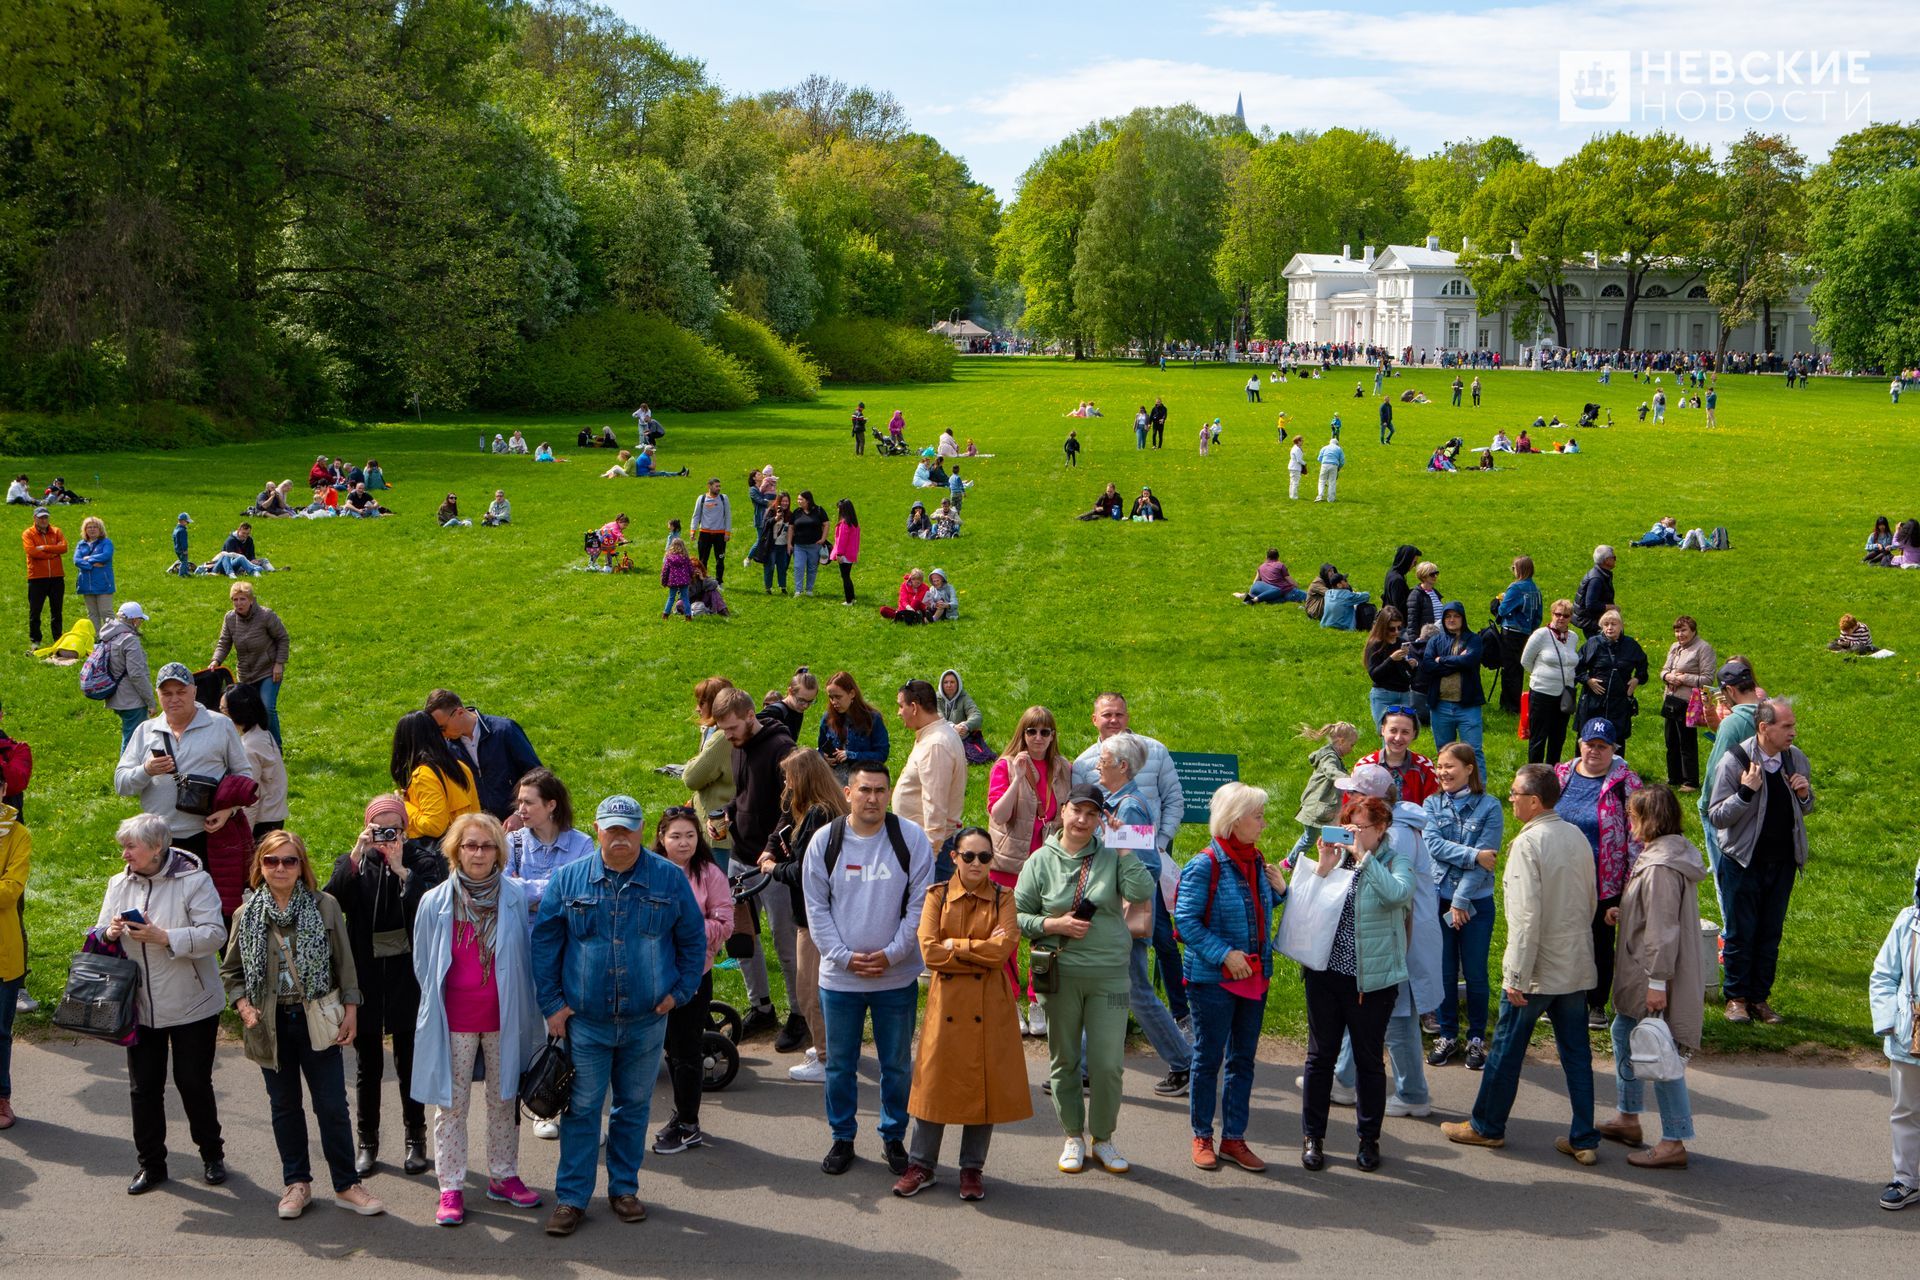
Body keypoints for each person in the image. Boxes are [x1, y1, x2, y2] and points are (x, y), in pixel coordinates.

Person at [531, 796, 706, 1235]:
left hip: (647, 1022)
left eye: (628, 829)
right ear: (597, 829)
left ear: (642, 830)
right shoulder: (569, 880)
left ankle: (624, 1189)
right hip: (585, 1023)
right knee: (583, 1109)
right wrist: (552, 1005)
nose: (620, 838)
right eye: (612, 830)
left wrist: (680, 992)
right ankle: (571, 1198)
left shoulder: (667, 879)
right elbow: (545, 944)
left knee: (633, 1108)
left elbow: (693, 940)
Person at [1442, 764, 1600, 1164]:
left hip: (1535, 971)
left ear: (1534, 801)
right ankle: (1584, 1138)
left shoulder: (1529, 845)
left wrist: (1516, 975)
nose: (1510, 798)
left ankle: (1486, 1127)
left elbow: (1526, 918)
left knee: (1506, 1052)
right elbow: (1592, 900)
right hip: (1575, 964)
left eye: (1515, 793)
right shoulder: (1576, 835)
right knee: (1577, 1055)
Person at [222, 831, 386, 1217]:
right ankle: (297, 1184)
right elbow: (231, 973)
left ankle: (347, 1185)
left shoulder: (325, 905)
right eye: (271, 861)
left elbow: (346, 965)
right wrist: (243, 1006)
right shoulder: (245, 916)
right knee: (284, 1106)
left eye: (289, 861)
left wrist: (351, 1010)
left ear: (302, 866)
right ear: (259, 867)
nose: (280, 868)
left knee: (331, 1105)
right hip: (269, 1023)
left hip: (317, 1018)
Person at [410, 813, 545, 1225]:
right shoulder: (435, 902)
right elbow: (423, 962)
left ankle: (502, 1177)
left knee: (504, 1099)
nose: (478, 853)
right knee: (451, 1105)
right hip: (455, 1019)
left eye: (486, 846)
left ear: (498, 852)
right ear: (455, 850)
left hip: (504, 1017)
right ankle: (450, 1186)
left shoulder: (515, 897)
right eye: (470, 845)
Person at [803, 762, 936, 1176]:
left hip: (895, 977)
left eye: (880, 790)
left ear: (889, 792)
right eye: (864, 790)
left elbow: (921, 905)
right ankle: (842, 1138)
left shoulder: (910, 839)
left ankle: (893, 1137)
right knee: (840, 1065)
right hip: (840, 979)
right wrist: (843, 956)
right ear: (848, 793)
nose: (873, 798)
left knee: (896, 1064)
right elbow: (816, 908)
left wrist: (893, 954)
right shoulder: (825, 841)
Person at [1016, 782, 1154, 1175]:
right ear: (1063, 811)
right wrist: (1053, 922)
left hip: (1110, 976)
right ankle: (1073, 1135)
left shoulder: (1112, 855)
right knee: (1065, 1060)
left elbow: (1142, 889)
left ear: (1100, 820)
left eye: (1092, 815)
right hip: (1061, 976)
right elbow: (1017, 915)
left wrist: (1123, 844)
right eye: (1077, 810)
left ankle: (1104, 1138)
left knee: (1108, 1063)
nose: (1083, 820)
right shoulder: (1040, 861)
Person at [892, 825, 1030, 1199]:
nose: (976, 863)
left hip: (990, 1005)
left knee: (983, 1086)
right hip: (947, 1005)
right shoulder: (936, 895)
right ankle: (921, 1164)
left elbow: (1002, 952)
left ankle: (972, 1169)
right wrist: (979, 949)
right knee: (933, 1084)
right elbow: (929, 953)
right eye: (968, 855)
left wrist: (956, 945)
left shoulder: (1005, 897)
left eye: (985, 857)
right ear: (954, 857)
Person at [94, 813, 229, 1194]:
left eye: (131, 846)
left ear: (157, 848)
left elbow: (214, 935)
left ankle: (211, 1155)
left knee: (192, 1082)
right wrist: (111, 931)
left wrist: (164, 937)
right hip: (140, 1006)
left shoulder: (195, 881)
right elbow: (100, 929)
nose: (124, 853)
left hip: (193, 1005)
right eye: (123, 845)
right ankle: (151, 1165)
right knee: (143, 1088)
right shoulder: (118, 883)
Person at [1296, 794, 1414, 1173]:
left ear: (1381, 829)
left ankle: (1368, 1139)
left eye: (1360, 828)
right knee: (1320, 1058)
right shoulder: (1336, 859)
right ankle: (1313, 1136)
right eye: (1348, 826)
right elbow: (1305, 909)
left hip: (1372, 982)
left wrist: (1363, 859)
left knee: (1368, 1061)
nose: (1353, 834)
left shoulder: (1396, 862)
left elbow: (1398, 895)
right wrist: (1324, 867)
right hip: (1325, 974)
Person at [1177, 783, 1287, 1173]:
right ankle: (1202, 1135)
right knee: (1209, 1058)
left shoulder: (1255, 860)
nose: (1263, 823)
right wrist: (1225, 953)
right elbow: (1185, 922)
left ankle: (1234, 1139)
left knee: (1243, 1060)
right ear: (1235, 820)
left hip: (1255, 977)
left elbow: (1252, 908)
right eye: (1257, 816)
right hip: (1213, 980)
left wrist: (1280, 892)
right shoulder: (1204, 863)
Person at [323, 794, 433, 1177]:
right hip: (366, 975)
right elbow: (332, 899)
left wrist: (403, 870)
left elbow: (431, 908)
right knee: (367, 1067)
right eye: (379, 827)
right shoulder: (356, 862)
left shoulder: (422, 861)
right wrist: (357, 852)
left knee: (409, 1063)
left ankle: (415, 1138)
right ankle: (367, 1141)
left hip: (407, 977)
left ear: (406, 827)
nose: (387, 835)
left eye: (394, 827)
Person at [1599, 785, 1705, 1170]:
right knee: (1624, 1034)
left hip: (1650, 976)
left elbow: (1662, 929)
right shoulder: (1666, 853)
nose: (1629, 826)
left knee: (1661, 1054)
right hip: (1642, 972)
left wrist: (1657, 983)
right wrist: (1624, 915)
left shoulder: (1660, 866)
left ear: (1650, 819)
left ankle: (1674, 1140)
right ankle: (1628, 1118)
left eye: (1633, 817)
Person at [1093, 733, 1193, 1096]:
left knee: (1135, 992)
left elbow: (1148, 865)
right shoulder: (1117, 801)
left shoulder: (1130, 806)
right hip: (1115, 916)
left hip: (1124, 919)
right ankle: (1089, 1066)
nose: (1097, 765)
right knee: (1112, 991)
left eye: (1103, 759)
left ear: (1122, 766)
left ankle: (1184, 1063)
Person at [1707, 699, 1814, 1026]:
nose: (1793, 733)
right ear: (1764, 728)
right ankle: (1736, 999)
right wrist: (1745, 793)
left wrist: (1805, 795)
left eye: (1793, 726)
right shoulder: (1735, 760)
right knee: (1741, 932)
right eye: (1786, 727)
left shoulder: (1796, 760)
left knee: (1770, 932)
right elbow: (1716, 816)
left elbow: (1805, 810)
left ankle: (1760, 998)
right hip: (1742, 862)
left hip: (1781, 863)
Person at [758, 749, 848, 1082]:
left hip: (812, 918)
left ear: (804, 778)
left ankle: (827, 1060)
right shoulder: (828, 809)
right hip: (826, 914)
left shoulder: (817, 816)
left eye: (789, 776)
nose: (786, 782)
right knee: (821, 988)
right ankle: (830, 1049)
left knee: (809, 989)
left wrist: (773, 868)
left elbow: (806, 871)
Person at [650, 806, 734, 1156]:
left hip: (692, 975)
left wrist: (687, 929)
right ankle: (678, 1114)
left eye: (689, 836)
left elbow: (725, 923)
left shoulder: (709, 874)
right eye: (675, 836)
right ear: (661, 839)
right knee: (666, 1049)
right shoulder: (649, 872)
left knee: (686, 1051)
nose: (683, 843)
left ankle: (689, 1125)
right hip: (651, 975)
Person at [716, 687, 798, 1041]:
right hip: (740, 857)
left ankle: (800, 1013)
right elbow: (746, 793)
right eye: (723, 730)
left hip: (773, 864)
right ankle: (761, 1008)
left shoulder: (782, 750)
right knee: (742, 939)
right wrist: (727, 813)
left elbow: (792, 808)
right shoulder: (737, 747)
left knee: (786, 943)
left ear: (751, 716)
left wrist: (770, 850)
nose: (728, 736)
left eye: (732, 728)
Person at [987, 706, 1071, 1035]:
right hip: (1008, 866)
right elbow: (998, 814)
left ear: (1053, 736)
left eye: (1045, 732)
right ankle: (1011, 1002)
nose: (1038, 738)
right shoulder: (1005, 766)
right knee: (1008, 937)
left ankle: (1038, 1002)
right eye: (1031, 732)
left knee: (1045, 938)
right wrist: (1018, 779)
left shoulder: (1064, 768)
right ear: (1022, 735)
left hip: (1048, 867)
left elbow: (1068, 814)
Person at [1554, 719, 1644, 1027]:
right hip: (1562, 875)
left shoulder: (1626, 783)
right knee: (1562, 937)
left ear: (1614, 750)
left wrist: (1631, 881)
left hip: (1605, 879)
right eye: (1590, 744)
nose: (1595, 751)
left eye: (1602, 746)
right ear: (1580, 744)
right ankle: (1562, 998)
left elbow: (1637, 835)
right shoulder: (1561, 774)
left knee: (1599, 941)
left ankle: (1596, 1004)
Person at [114, 662, 253, 857]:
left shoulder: (220, 725)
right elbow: (121, 784)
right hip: (157, 840)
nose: (174, 699)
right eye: (167, 694)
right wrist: (146, 770)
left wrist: (230, 810)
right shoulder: (145, 731)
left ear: (194, 691)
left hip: (209, 834)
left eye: (181, 692)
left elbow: (245, 776)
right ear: (158, 694)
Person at [1422, 744, 1502, 1067]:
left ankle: (1477, 1038)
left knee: (1475, 973)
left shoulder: (1490, 806)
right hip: (1437, 900)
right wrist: (1471, 855)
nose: (1442, 772)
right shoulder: (1431, 803)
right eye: (1439, 766)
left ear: (1470, 768)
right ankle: (1448, 1034)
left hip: (1475, 906)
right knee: (1443, 973)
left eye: (1449, 766)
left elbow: (1488, 859)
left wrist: (1460, 900)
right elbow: (1434, 846)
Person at [1869, 852, 1920, 1210]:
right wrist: (1889, 1022)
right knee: (1905, 1108)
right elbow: (1884, 975)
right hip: (1909, 1033)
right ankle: (1906, 1179)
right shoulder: (1907, 922)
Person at [424, 690, 543, 824]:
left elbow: (536, 774)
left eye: (442, 728)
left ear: (459, 713)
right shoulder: (446, 748)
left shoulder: (505, 731)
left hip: (519, 824)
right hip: (479, 830)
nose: (441, 735)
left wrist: (519, 813)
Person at [894, 678, 967, 877]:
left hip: (930, 851)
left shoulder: (936, 744)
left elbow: (935, 805)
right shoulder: (934, 736)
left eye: (901, 706)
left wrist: (929, 857)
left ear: (914, 707)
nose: (899, 713)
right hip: (926, 847)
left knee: (928, 907)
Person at [210, 581, 290, 746]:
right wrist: (216, 660)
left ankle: (276, 747)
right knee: (247, 712)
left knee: (266, 707)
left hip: (268, 670)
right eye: (235, 600)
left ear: (251, 600)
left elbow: (283, 638)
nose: (238, 603)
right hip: (246, 674)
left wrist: (279, 663)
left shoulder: (266, 615)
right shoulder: (230, 618)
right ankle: (254, 746)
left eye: (242, 599)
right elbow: (224, 642)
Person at [392, 709, 480, 850]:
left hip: (445, 856)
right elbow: (476, 814)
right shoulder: (461, 767)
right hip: (468, 849)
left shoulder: (423, 775)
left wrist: (404, 805)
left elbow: (434, 826)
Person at [1420, 601, 1487, 780]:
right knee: (1444, 752)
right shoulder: (1435, 640)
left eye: (1456, 616)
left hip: (1468, 705)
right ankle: (1446, 788)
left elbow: (1470, 661)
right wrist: (1455, 662)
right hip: (1440, 705)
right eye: (1448, 616)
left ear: (1463, 618)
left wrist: (1440, 660)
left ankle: (1479, 791)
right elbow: (1427, 665)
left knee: (1473, 751)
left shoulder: (1473, 640)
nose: (1451, 620)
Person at [1575, 610, 1649, 751]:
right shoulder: (1593, 643)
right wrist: (1588, 680)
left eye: (1613, 624)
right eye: (1606, 624)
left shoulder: (1631, 645)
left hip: (1619, 702)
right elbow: (1577, 667)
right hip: (1594, 700)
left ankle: (1617, 771)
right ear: (1602, 627)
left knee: (1617, 738)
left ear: (1621, 626)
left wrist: (1637, 679)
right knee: (1588, 737)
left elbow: (1643, 666)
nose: (1610, 627)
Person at [1659, 616, 1717, 790]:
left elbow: (1708, 679)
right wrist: (1667, 676)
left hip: (1689, 703)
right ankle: (1673, 777)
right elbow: (1663, 670)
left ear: (1693, 630)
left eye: (1683, 630)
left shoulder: (1703, 648)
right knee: (1671, 741)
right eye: (1677, 631)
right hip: (1671, 700)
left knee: (1687, 742)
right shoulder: (1674, 647)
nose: (1679, 634)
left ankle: (1690, 781)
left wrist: (1684, 678)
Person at [1522, 599, 1582, 764]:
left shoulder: (1573, 637)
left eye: (1566, 615)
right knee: (1539, 737)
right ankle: (1534, 773)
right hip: (1542, 692)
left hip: (1565, 694)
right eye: (1558, 614)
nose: (1561, 618)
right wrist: (1542, 676)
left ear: (1570, 618)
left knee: (1558, 737)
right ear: (1552, 614)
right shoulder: (1541, 634)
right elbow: (1526, 661)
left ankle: (1553, 772)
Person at [224, 683, 286, 841]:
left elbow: (250, 797)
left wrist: (245, 836)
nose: (220, 714)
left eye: (223, 710)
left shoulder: (249, 747)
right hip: (274, 814)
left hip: (262, 822)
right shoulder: (262, 733)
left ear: (237, 712)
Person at [98, 601, 157, 747]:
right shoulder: (130, 640)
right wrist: (151, 701)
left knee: (131, 737)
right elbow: (136, 675)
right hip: (131, 700)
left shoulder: (110, 635)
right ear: (135, 620)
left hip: (116, 696)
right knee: (133, 742)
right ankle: (124, 769)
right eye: (140, 620)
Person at [1354, 706, 1440, 805]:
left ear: (1414, 734)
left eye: (1405, 732)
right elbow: (1351, 807)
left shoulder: (1425, 766)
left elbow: (1434, 807)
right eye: (1393, 730)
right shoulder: (1365, 765)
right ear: (1382, 730)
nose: (1398, 738)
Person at [818, 671, 891, 785]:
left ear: (852, 693)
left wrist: (851, 755)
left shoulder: (872, 719)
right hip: (833, 783)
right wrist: (824, 757)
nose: (834, 702)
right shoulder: (828, 718)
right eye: (831, 697)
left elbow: (881, 754)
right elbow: (820, 748)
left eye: (838, 697)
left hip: (862, 780)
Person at [1495, 557, 1543, 715]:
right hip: (1526, 632)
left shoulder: (1516, 588)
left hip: (1511, 631)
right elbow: (1538, 616)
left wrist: (1497, 603)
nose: (1513, 571)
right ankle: (1515, 703)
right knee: (1519, 668)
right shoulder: (1535, 589)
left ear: (1520, 569)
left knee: (1509, 669)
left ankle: (1510, 705)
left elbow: (1503, 610)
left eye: (1514, 568)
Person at [1361, 607, 1415, 731]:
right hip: (1384, 694)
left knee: (1404, 734)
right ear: (1383, 627)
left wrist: (1411, 666)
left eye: (1399, 628)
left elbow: (1407, 675)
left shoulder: (1402, 643)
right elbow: (1375, 674)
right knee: (1388, 736)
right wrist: (1391, 659)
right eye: (1392, 629)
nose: (1396, 632)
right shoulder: (1376, 645)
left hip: (1404, 693)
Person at [23, 507, 67, 646]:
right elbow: (32, 552)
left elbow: (64, 548)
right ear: (34, 518)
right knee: (35, 611)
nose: (43, 520)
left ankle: (58, 638)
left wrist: (45, 547)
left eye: (46, 517)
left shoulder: (56, 531)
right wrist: (53, 552)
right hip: (37, 578)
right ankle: (35, 640)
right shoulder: (28, 533)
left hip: (56, 577)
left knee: (57, 611)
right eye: (41, 517)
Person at [937, 668, 990, 764]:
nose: (949, 685)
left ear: (958, 684)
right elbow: (937, 718)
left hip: (961, 736)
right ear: (941, 684)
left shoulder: (964, 697)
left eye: (952, 682)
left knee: (978, 755)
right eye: (946, 682)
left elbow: (976, 715)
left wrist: (966, 726)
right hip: (942, 736)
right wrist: (953, 728)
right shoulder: (936, 699)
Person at [72, 515, 115, 630]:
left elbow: (106, 556)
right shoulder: (81, 544)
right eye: (89, 527)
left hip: (103, 583)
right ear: (85, 530)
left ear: (100, 529)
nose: (92, 529)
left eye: (95, 527)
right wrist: (91, 566)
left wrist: (87, 559)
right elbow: (76, 560)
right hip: (86, 583)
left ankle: (113, 637)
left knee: (106, 612)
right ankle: (96, 638)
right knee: (92, 613)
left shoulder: (106, 543)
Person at [690, 477, 732, 584]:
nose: (719, 488)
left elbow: (728, 516)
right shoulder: (702, 498)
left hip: (720, 534)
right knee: (703, 560)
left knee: (720, 560)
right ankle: (703, 581)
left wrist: (727, 532)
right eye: (716, 486)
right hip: (705, 534)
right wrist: (693, 530)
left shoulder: (724, 498)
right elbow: (696, 515)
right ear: (709, 486)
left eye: (719, 486)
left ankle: (719, 582)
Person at [790, 491, 828, 597]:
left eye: (801, 499)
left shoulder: (819, 510)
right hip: (799, 545)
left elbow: (826, 524)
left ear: (808, 500)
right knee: (798, 567)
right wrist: (789, 543)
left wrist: (823, 539)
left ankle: (809, 590)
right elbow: (791, 527)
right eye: (798, 499)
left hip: (814, 546)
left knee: (812, 568)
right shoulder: (796, 512)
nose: (798, 501)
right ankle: (798, 590)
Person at [1573, 546, 1616, 639]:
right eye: (1614, 557)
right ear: (1607, 560)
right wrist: (1611, 607)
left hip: (1595, 620)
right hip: (1592, 623)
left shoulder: (1601, 574)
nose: (1615, 560)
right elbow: (1591, 605)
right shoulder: (1596, 579)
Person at [1239, 549, 1305, 604]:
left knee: (1280, 600)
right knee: (1309, 597)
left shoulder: (1261, 567)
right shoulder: (1280, 565)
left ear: (1267, 557)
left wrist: (1251, 592)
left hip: (1272, 594)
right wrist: (1297, 586)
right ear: (1278, 557)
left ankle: (1249, 598)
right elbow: (1289, 579)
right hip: (1286, 591)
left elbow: (1255, 582)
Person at [830, 500, 860, 604]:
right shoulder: (854, 524)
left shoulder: (844, 524)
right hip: (851, 554)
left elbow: (841, 540)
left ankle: (849, 600)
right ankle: (852, 598)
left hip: (844, 554)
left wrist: (839, 554)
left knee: (845, 577)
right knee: (847, 576)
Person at [660, 538, 694, 618]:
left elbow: (665, 571)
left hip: (673, 581)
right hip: (684, 581)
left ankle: (665, 614)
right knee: (685, 598)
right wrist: (691, 576)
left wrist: (663, 581)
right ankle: (688, 616)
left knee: (671, 598)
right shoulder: (685, 558)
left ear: (672, 546)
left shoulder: (669, 558)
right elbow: (691, 569)